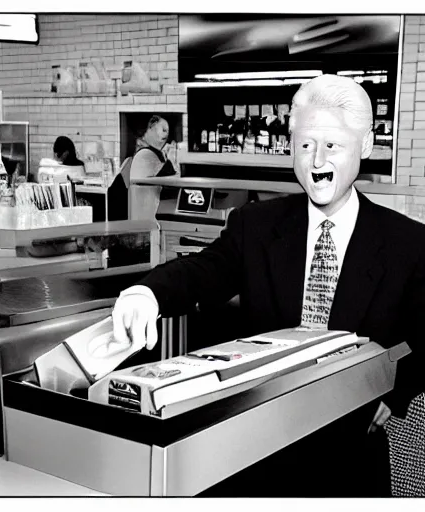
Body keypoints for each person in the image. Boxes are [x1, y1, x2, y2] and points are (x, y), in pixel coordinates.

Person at [111, 74, 425, 497]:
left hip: (351, 456)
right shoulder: (255, 226)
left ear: (365, 146)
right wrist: (148, 293)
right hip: (257, 455)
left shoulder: (408, 244)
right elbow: (205, 270)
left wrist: (394, 392)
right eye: (305, 145)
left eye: (332, 145)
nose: (316, 162)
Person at [128, 115, 177, 220]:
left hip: (148, 210)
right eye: (163, 130)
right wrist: (171, 159)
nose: (166, 134)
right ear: (150, 129)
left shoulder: (151, 151)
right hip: (146, 215)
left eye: (167, 131)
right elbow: (170, 179)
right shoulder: (145, 153)